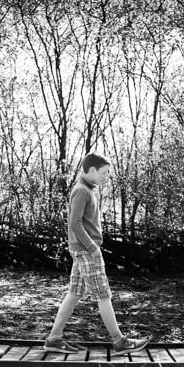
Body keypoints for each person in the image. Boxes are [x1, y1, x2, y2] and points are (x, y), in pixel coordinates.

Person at [43, 152, 149, 356]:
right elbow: (74, 223)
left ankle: (54, 339)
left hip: (81, 251)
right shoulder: (82, 190)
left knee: (74, 294)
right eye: (103, 173)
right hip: (86, 251)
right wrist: (92, 247)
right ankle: (119, 342)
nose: (105, 177)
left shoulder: (88, 189)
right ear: (91, 170)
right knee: (103, 294)